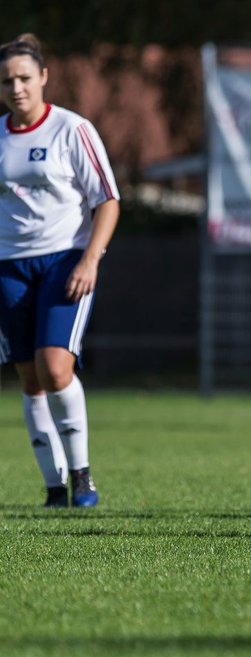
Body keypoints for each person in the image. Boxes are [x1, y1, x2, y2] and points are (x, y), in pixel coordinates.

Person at [0, 34, 120, 508]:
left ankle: (83, 476)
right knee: (29, 378)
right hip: (9, 265)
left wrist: (91, 258)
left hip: (66, 260)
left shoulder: (72, 130)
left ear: (44, 77)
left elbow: (107, 200)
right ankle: (53, 487)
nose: (17, 88)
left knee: (55, 367)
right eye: (7, 81)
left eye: (25, 78)